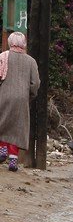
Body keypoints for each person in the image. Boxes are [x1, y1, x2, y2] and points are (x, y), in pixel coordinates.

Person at [0, 32, 40, 172]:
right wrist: (30, 95)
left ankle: (2, 149)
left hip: (3, 95)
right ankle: (13, 160)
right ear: (24, 44)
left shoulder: (3, 57)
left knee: (2, 123)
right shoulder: (31, 61)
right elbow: (35, 83)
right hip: (22, 98)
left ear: (11, 42)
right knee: (17, 127)